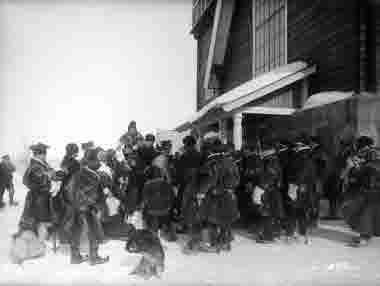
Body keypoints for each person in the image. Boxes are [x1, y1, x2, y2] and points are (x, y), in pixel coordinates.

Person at [64, 148, 109, 265]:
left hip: (75, 208)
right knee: (94, 231)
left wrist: (74, 203)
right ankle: (94, 258)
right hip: (87, 208)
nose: (99, 164)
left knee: (76, 231)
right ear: (90, 162)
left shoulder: (77, 174)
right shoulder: (93, 176)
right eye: (97, 161)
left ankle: (75, 257)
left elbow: (68, 190)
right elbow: (95, 196)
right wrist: (98, 205)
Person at [19, 143, 56, 242]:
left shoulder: (42, 163)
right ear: (37, 154)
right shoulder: (35, 165)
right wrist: (47, 176)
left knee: (41, 218)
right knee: (39, 218)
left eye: (45, 154)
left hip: (42, 195)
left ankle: (40, 238)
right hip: (38, 196)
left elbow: (51, 172)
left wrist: (52, 174)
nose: (45, 156)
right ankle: (37, 240)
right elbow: (33, 180)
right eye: (43, 154)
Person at [141, 166, 176, 241]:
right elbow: (172, 198)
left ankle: (152, 234)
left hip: (152, 212)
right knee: (164, 216)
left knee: (149, 216)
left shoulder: (147, 184)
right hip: (165, 211)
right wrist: (168, 207)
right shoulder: (167, 184)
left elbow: (145, 200)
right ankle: (165, 231)